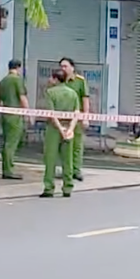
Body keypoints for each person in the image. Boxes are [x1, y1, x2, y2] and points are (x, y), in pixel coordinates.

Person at [41, 69, 80, 198]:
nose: (50, 81)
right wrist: (70, 129)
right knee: (67, 159)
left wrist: (59, 128)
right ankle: (67, 187)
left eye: (51, 78)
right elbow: (76, 113)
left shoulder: (50, 92)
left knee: (50, 158)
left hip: (53, 129)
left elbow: (51, 114)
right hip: (69, 126)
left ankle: (49, 187)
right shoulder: (73, 94)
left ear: (56, 79)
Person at [0, 59, 29, 180]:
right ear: (18, 67)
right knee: (12, 143)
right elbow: (22, 97)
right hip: (15, 115)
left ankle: (6, 167)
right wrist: (28, 114)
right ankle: (8, 170)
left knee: (6, 142)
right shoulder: (17, 80)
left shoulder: (3, 81)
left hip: (5, 114)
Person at [60, 57, 89, 182]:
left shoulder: (80, 81)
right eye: (61, 66)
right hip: (62, 117)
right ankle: (66, 169)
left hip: (76, 117)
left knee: (77, 145)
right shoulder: (60, 80)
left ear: (72, 67)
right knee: (64, 145)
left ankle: (76, 170)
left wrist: (86, 117)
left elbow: (85, 99)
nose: (63, 69)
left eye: (65, 66)